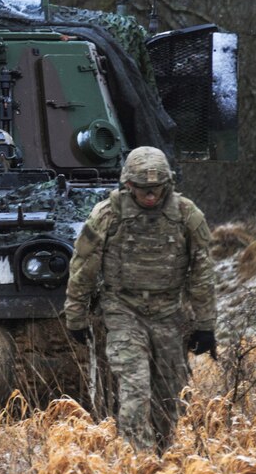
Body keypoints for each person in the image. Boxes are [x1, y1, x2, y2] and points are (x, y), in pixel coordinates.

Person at [63, 146, 217, 452]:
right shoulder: (108, 214)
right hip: (123, 311)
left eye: (156, 189)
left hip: (168, 314)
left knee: (169, 395)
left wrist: (206, 324)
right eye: (143, 190)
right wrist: (76, 315)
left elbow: (202, 271)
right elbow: (83, 266)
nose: (150, 196)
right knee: (135, 390)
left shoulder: (187, 215)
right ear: (128, 185)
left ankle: (160, 458)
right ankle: (139, 463)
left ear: (167, 185)